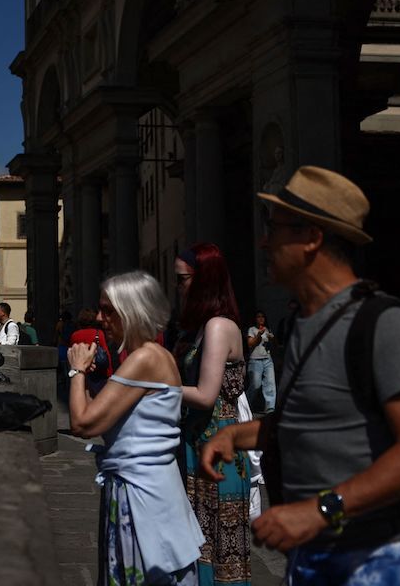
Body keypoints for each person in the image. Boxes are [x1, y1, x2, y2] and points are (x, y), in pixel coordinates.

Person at [201, 166, 400, 585]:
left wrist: (319, 511)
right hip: (317, 554)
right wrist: (235, 436)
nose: (263, 241)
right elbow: (314, 419)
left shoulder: (384, 324)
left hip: (381, 557)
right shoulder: (301, 322)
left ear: (312, 238)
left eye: (272, 229)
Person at [67, 271, 205, 585]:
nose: (101, 318)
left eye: (108, 310)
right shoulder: (159, 356)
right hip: (153, 488)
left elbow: (82, 423)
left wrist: (76, 372)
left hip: (141, 496)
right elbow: (100, 416)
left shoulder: (143, 359)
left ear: (132, 311)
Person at [174, 242, 251, 585]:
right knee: (199, 545)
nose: (179, 287)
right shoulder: (204, 326)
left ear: (203, 280)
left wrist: (149, 386)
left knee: (219, 553)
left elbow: (206, 395)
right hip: (198, 445)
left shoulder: (219, 326)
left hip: (217, 447)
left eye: (183, 279)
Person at [245, 310, 275, 412]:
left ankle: (270, 408)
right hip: (255, 361)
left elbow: (275, 344)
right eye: (258, 316)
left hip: (267, 359)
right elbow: (250, 344)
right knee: (255, 385)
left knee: (270, 384)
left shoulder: (268, 329)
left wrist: (272, 339)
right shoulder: (251, 329)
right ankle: (247, 405)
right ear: (255, 319)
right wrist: (259, 335)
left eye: (263, 316)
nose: (261, 318)